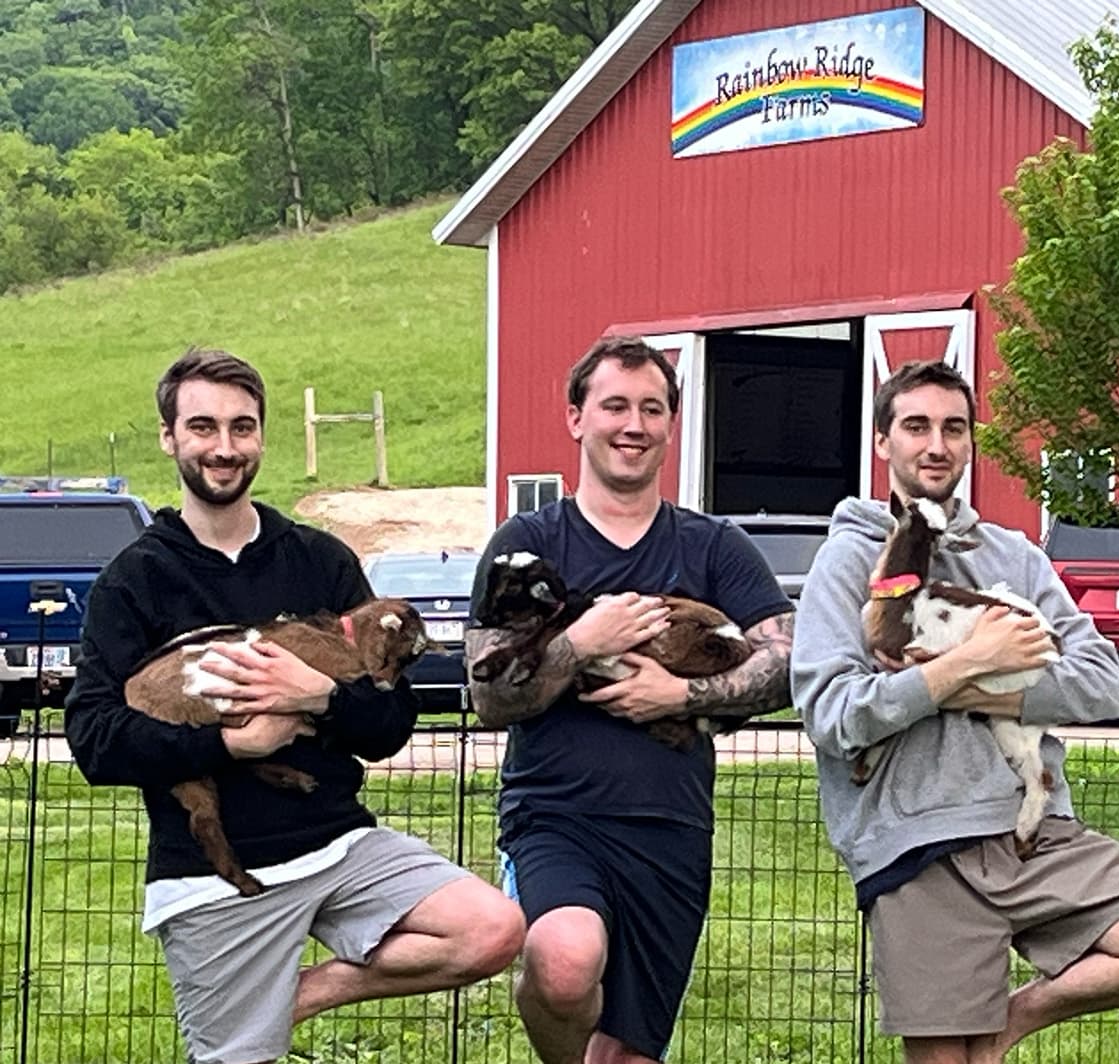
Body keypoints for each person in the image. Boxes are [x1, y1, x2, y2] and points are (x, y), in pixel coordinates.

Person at [65, 348, 526, 1064]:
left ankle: (296, 994)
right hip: (212, 873)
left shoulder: (319, 559)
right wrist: (231, 747)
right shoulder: (135, 581)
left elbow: (389, 725)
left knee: (491, 929)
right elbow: (95, 739)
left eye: (242, 428)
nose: (225, 448)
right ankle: (249, 1013)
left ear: (262, 437)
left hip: (337, 843)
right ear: (169, 437)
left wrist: (321, 696)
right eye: (204, 427)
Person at [790, 359, 1119, 1064]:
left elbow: (1102, 683)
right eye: (916, 426)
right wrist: (967, 662)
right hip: (916, 845)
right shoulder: (848, 559)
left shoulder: (1013, 556)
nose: (936, 445)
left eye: (954, 428)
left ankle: (1011, 1023)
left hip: (1032, 832)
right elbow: (832, 715)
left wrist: (978, 688)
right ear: (883, 441)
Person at [465, 335, 795, 1064]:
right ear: (576, 418)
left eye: (651, 409)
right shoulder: (527, 545)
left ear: (671, 426)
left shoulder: (713, 547)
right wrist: (582, 642)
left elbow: (789, 659)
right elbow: (486, 693)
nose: (633, 425)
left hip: (670, 829)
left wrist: (680, 692)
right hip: (554, 814)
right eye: (614, 405)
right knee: (563, 960)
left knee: (629, 1054)